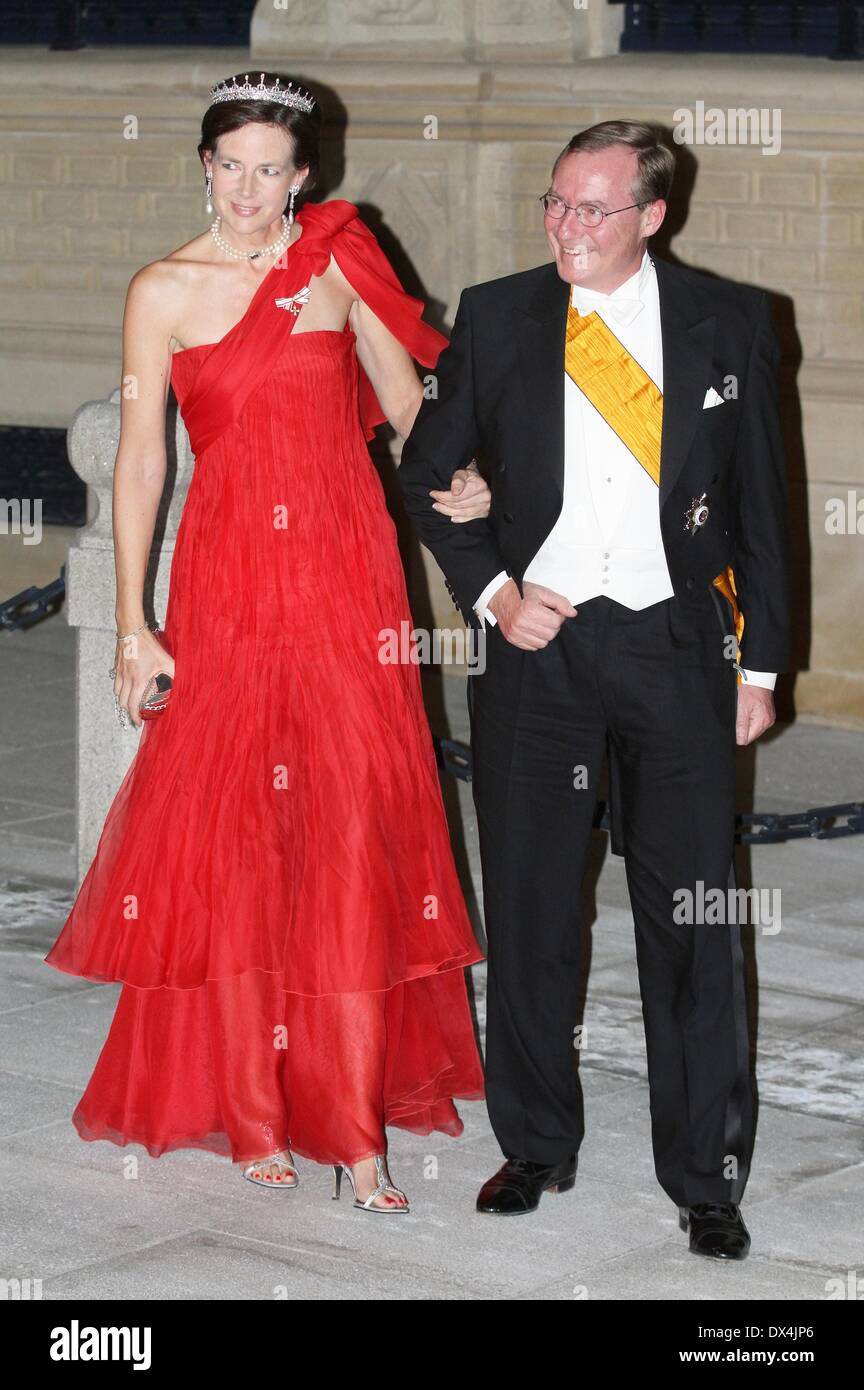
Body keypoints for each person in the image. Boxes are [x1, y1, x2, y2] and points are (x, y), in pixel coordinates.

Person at [45, 71, 490, 1214]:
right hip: (233, 578)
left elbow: (407, 408)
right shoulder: (163, 290)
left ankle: (357, 1129)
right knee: (241, 834)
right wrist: (137, 623)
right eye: (229, 165)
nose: (249, 190)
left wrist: (488, 491)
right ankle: (252, 1107)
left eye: (271, 170)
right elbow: (142, 456)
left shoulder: (339, 259)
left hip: (346, 576)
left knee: (348, 824)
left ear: (306, 177)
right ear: (205, 165)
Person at [398, 120, 790, 1256]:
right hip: (541, 651)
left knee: (695, 919)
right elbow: (428, 471)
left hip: (676, 650)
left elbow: (763, 505)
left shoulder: (729, 322)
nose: (568, 226)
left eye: (595, 208)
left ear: (652, 216)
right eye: (557, 203)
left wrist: (759, 664)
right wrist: (492, 595)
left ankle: (706, 1176)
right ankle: (534, 1141)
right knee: (528, 906)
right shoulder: (502, 312)